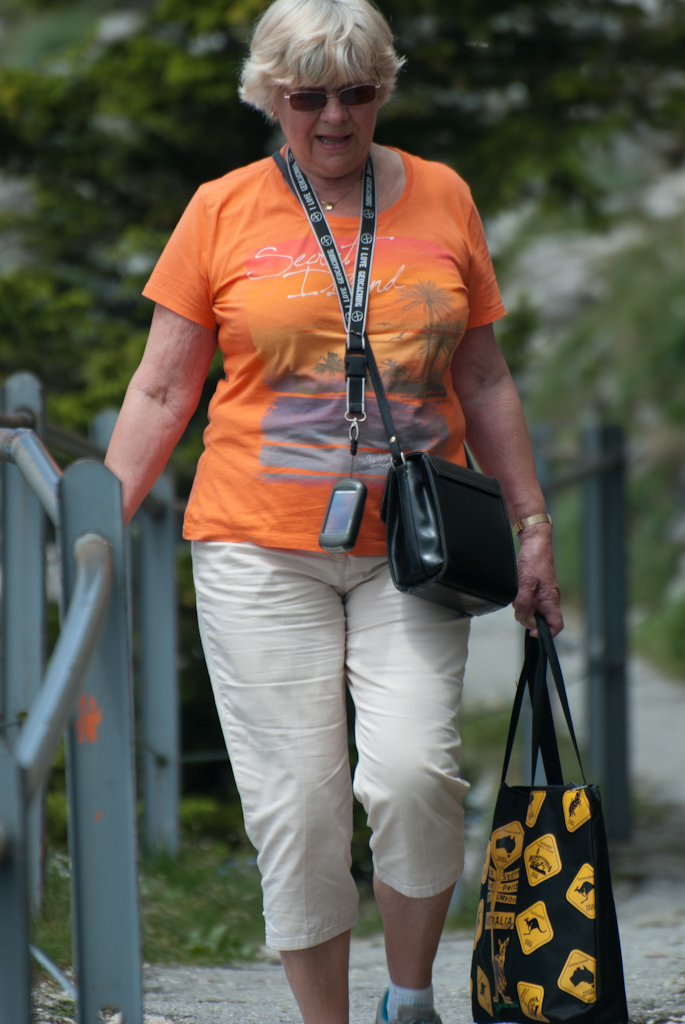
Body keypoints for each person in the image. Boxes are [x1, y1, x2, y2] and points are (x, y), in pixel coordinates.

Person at [105, 0, 563, 1021]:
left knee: (412, 775)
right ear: (268, 96)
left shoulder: (441, 195)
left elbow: (483, 376)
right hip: (256, 544)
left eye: (355, 92)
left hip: (418, 545)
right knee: (299, 808)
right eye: (305, 96)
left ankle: (408, 998)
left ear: (383, 89)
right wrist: (96, 525)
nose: (332, 119)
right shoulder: (220, 209)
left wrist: (531, 527)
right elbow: (161, 389)